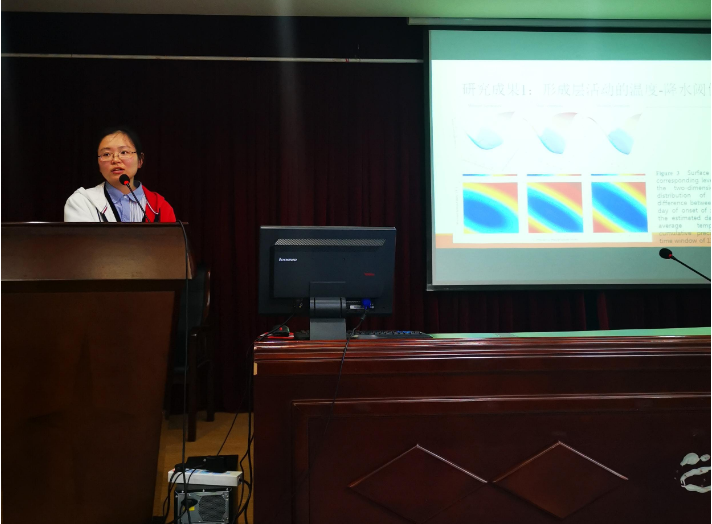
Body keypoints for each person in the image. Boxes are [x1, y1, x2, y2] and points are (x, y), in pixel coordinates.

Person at [64, 126, 176, 222]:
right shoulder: (82, 202)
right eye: (106, 154)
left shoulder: (160, 207)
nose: (115, 160)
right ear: (98, 164)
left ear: (140, 160)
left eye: (124, 152)